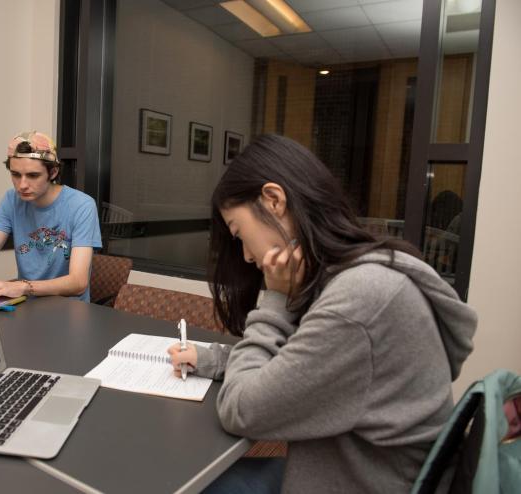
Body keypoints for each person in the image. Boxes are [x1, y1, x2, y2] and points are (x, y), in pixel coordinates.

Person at [168, 134, 478, 493]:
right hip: (345, 468)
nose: (247, 257)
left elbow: (241, 410)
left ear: (273, 200)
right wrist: (215, 360)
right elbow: (301, 358)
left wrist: (274, 299)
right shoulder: (361, 273)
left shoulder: (359, 301)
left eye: (238, 235)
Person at [0, 131, 102, 302]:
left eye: (33, 175)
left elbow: (78, 282)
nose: (22, 185)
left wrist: (23, 287)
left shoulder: (81, 205)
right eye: (16, 175)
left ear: (52, 173)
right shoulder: (11, 200)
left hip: (68, 309)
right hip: (26, 305)